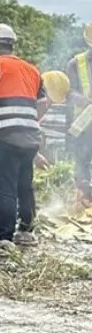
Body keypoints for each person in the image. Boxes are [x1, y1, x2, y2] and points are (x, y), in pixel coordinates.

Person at [0, 23, 48, 255]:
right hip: (30, 136)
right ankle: (27, 231)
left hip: (5, 136)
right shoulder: (32, 69)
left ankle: (4, 238)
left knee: (6, 187)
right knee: (25, 185)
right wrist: (28, 121)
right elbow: (43, 101)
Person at [65, 24, 92, 208]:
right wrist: (80, 99)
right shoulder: (77, 63)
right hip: (84, 124)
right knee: (82, 164)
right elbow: (68, 92)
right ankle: (84, 202)